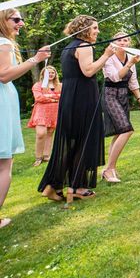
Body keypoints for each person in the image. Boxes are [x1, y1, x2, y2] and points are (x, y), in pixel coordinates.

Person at [38, 15, 115, 204]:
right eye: (94, 28)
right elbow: (88, 71)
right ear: (84, 29)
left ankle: (53, 186)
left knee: (73, 141)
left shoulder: (69, 47)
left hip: (71, 96)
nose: (97, 31)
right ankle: (77, 187)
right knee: (84, 139)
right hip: (83, 97)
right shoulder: (84, 46)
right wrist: (106, 55)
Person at [0, 9, 50, 227]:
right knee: (4, 165)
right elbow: (4, 75)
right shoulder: (4, 43)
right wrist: (35, 59)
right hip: (2, 101)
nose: (21, 23)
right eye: (16, 19)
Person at [101, 32, 140, 182]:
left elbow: (132, 81)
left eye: (125, 40)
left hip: (123, 96)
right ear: (113, 42)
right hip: (110, 95)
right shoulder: (109, 57)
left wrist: (139, 98)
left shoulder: (131, 58)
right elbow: (115, 77)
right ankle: (109, 169)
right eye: (119, 40)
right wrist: (130, 64)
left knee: (119, 132)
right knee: (127, 130)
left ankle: (109, 168)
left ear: (129, 43)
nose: (122, 42)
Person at [28, 65, 61, 166]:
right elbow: (39, 98)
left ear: (55, 74)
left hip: (54, 111)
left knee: (50, 133)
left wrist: (47, 96)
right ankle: (38, 157)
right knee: (41, 134)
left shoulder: (60, 85)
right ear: (43, 74)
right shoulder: (38, 85)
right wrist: (55, 98)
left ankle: (46, 155)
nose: (50, 74)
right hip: (41, 111)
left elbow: (63, 96)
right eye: (48, 73)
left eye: (52, 72)